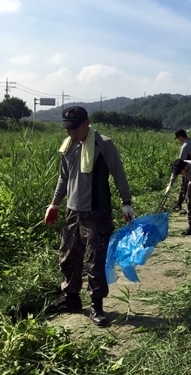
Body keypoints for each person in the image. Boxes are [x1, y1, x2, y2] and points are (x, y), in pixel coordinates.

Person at [44, 106, 134, 327]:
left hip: (97, 212)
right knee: (68, 256)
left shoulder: (104, 144)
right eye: (68, 129)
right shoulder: (68, 146)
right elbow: (63, 179)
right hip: (73, 211)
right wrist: (54, 204)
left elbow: (118, 173)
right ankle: (71, 298)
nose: (71, 133)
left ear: (87, 123)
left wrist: (126, 202)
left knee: (95, 260)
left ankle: (96, 305)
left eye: (75, 129)